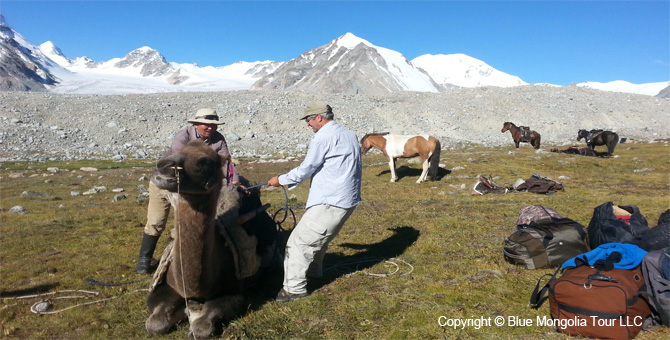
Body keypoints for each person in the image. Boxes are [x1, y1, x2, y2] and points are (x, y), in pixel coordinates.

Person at [267, 102, 362, 302]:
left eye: (309, 120)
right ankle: (313, 272)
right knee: (321, 238)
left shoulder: (324, 137)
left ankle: (294, 289)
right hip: (347, 199)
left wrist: (281, 180)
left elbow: (307, 167)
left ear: (319, 117)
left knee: (298, 243)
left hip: (330, 199)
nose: (308, 124)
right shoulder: (350, 134)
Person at [135, 108, 240, 274]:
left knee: (188, 224)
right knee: (156, 221)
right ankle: (144, 260)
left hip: (190, 187)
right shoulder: (182, 137)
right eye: (206, 125)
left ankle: (183, 261)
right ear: (196, 124)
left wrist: (234, 181)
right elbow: (182, 162)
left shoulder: (218, 139)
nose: (210, 128)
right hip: (167, 183)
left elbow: (225, 161)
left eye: (213, 125)